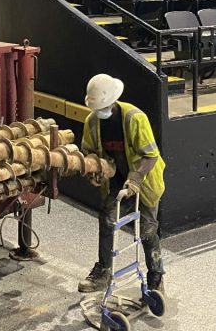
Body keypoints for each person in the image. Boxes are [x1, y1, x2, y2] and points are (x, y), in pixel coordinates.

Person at [77, 73, 165, 294]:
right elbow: (88, 154)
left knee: (147, 231)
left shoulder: (134, 118)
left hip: (143, 182)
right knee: (106, 222)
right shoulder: (93, 122)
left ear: (113, 101)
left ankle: (156, 277)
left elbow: (151, 155)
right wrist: (93, 172)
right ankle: (103, 271)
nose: (100, 112)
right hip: (115, 183)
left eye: (103, 107)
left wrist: (135, 178)